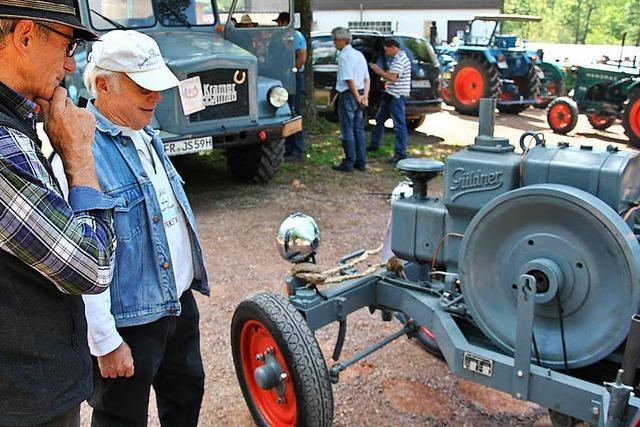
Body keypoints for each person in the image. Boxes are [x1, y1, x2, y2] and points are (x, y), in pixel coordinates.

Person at [51, 30, 210, 427]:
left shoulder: (144, 133)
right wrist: (104, 340)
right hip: (130, 322)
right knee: (120, 416)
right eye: (144, 87)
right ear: (104, 84)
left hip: (176, 304)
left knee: (186, 393)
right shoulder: (78, 153)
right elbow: (77, 256)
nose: (156, 97)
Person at [0, 1, 118, 426]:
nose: (70, 64)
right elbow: (91, 266)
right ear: (25, 35)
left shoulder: (16, 122)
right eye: (67, 44)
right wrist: (78, 155)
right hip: (25, 400)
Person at [330, 27, 370, 172]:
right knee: (358, 129)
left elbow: (349, 79)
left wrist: (357, 96)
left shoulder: (344, 56)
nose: (334, 43)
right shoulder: (359, 54)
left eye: (335, 40)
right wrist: (365, 95)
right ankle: (361, 161)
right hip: (360, 91)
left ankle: (349, 161)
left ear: (341, 40)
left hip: (349, 93)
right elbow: (367, 78)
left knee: (347, 129)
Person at [368, 38, 412, 163]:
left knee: (399, 125)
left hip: (396, 96)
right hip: (391, 94)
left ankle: (400, 153)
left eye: (387, 50)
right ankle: (374, 144)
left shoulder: (400, 60)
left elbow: (392, 77)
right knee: (379, 120)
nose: (386, 53)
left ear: (393, 47)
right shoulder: (399, 58)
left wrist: (379, 71)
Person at [274, 12, 306, 160]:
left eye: (279, 23)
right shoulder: (282, 37)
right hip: (284, 76)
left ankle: (297, 148)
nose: (278, 26)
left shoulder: (296, 36)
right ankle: (287, 146)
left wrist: (291, 71)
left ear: (285, 22)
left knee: (294, 111)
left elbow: (302, 57)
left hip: (294, 77)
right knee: (285, 112)